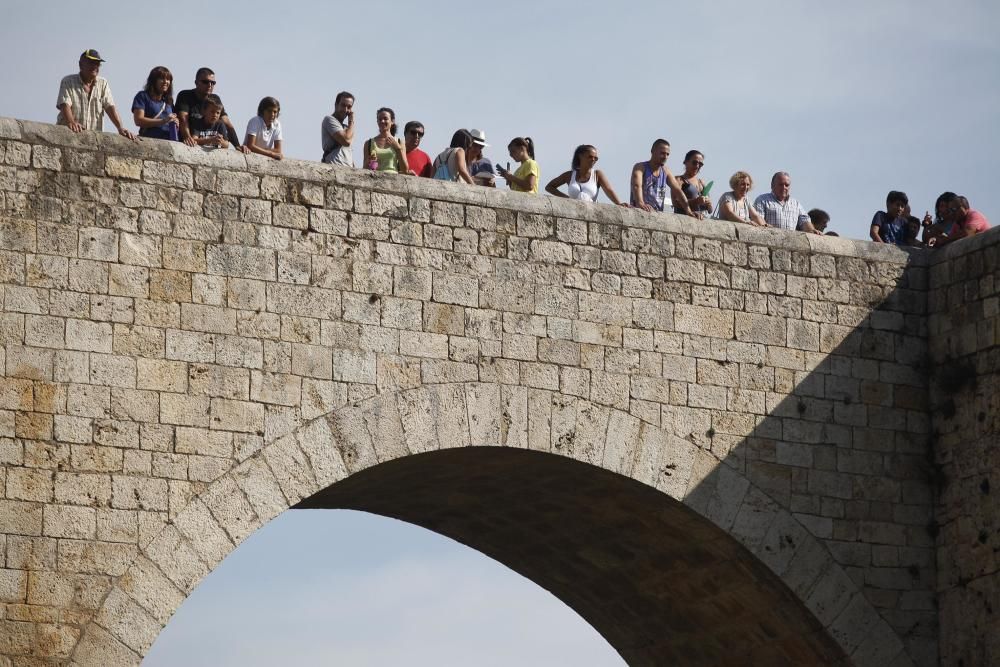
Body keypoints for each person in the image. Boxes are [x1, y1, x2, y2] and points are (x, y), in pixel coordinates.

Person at [56, 49, 136, 140]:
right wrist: (71, 122)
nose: (95, 66)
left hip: (92, 139)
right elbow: (64, 104)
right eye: (91, 63)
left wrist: (120, 127)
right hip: (69, 135)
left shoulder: (103, 83)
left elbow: (110, 106)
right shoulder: (68, 81)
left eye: (97, 64)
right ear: (80, 65)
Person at [175, 68, 245, 152]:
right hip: (187, 144)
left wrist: (237, 146)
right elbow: (183, 119)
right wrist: (187, 137)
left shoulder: (215, 99)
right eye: (205, 82)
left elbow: (227, 123)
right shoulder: (185, 95)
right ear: (196, 82)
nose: (210, 85)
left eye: (213, 83)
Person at [544, 144, 626, 205]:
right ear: (580, 156)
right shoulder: (569, 175)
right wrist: (566, 199)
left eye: (596, 158)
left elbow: (609, 190)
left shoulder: (597, 175)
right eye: (590, 157)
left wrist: (619, 204)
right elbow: (549, 187)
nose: (593, 160)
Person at [629, 139, 690, 214]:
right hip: (640, 212)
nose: (665, 157)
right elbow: (636, 186)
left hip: (657, 215)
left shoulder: (666, 171)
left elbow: (678, 191)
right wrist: (640, 203)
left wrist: (689, 211)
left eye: (667, 154)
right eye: (662, 153)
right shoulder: (640, 167)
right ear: (652, 151)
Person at [753, 172, 818, 233]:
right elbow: (758, 219)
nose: (784, 187)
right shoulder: (762, 200)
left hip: (790, 243)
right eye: (780, 184)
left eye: (786, 185)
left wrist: (812, 231)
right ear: (772, 185)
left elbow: (805, 221)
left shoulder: (796, 204)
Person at [131, 66, 178, 141]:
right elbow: (138, 120)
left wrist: (176, 123)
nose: (166, 82)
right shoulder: (142, 96)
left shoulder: (169, 100)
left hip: (169, 142)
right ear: (153, 80)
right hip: (150, 141)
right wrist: (163, 121)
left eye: (168, 79)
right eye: (162, 78)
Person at [363, 108, 408, 174]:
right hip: (374, 180)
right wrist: (369, 161)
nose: (382, 121)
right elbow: (364, 169)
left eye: (385, 118)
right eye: (380, 119)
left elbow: (405, 170)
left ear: (392, 121)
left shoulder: (399, 142)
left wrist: (398, 149)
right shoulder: (368, 143)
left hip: (394, 180)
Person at [671, 150, 712, 219]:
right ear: (686, 162)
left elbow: (710, 210)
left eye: (700, 164)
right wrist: (696, 201)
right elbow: (675, 202)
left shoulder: (701, 182)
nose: (697, 166)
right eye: (694, 162)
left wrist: (709, 204)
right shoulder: (679, 180)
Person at [321, 91, 355, 167]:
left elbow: (348, 152)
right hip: (333, 168)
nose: (346, 110)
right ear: (336, 105)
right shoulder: (329, 120)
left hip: (348, 171)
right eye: (343, 105)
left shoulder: (347, 128)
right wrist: (351, 121)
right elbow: (346, 141)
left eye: (349, 107)